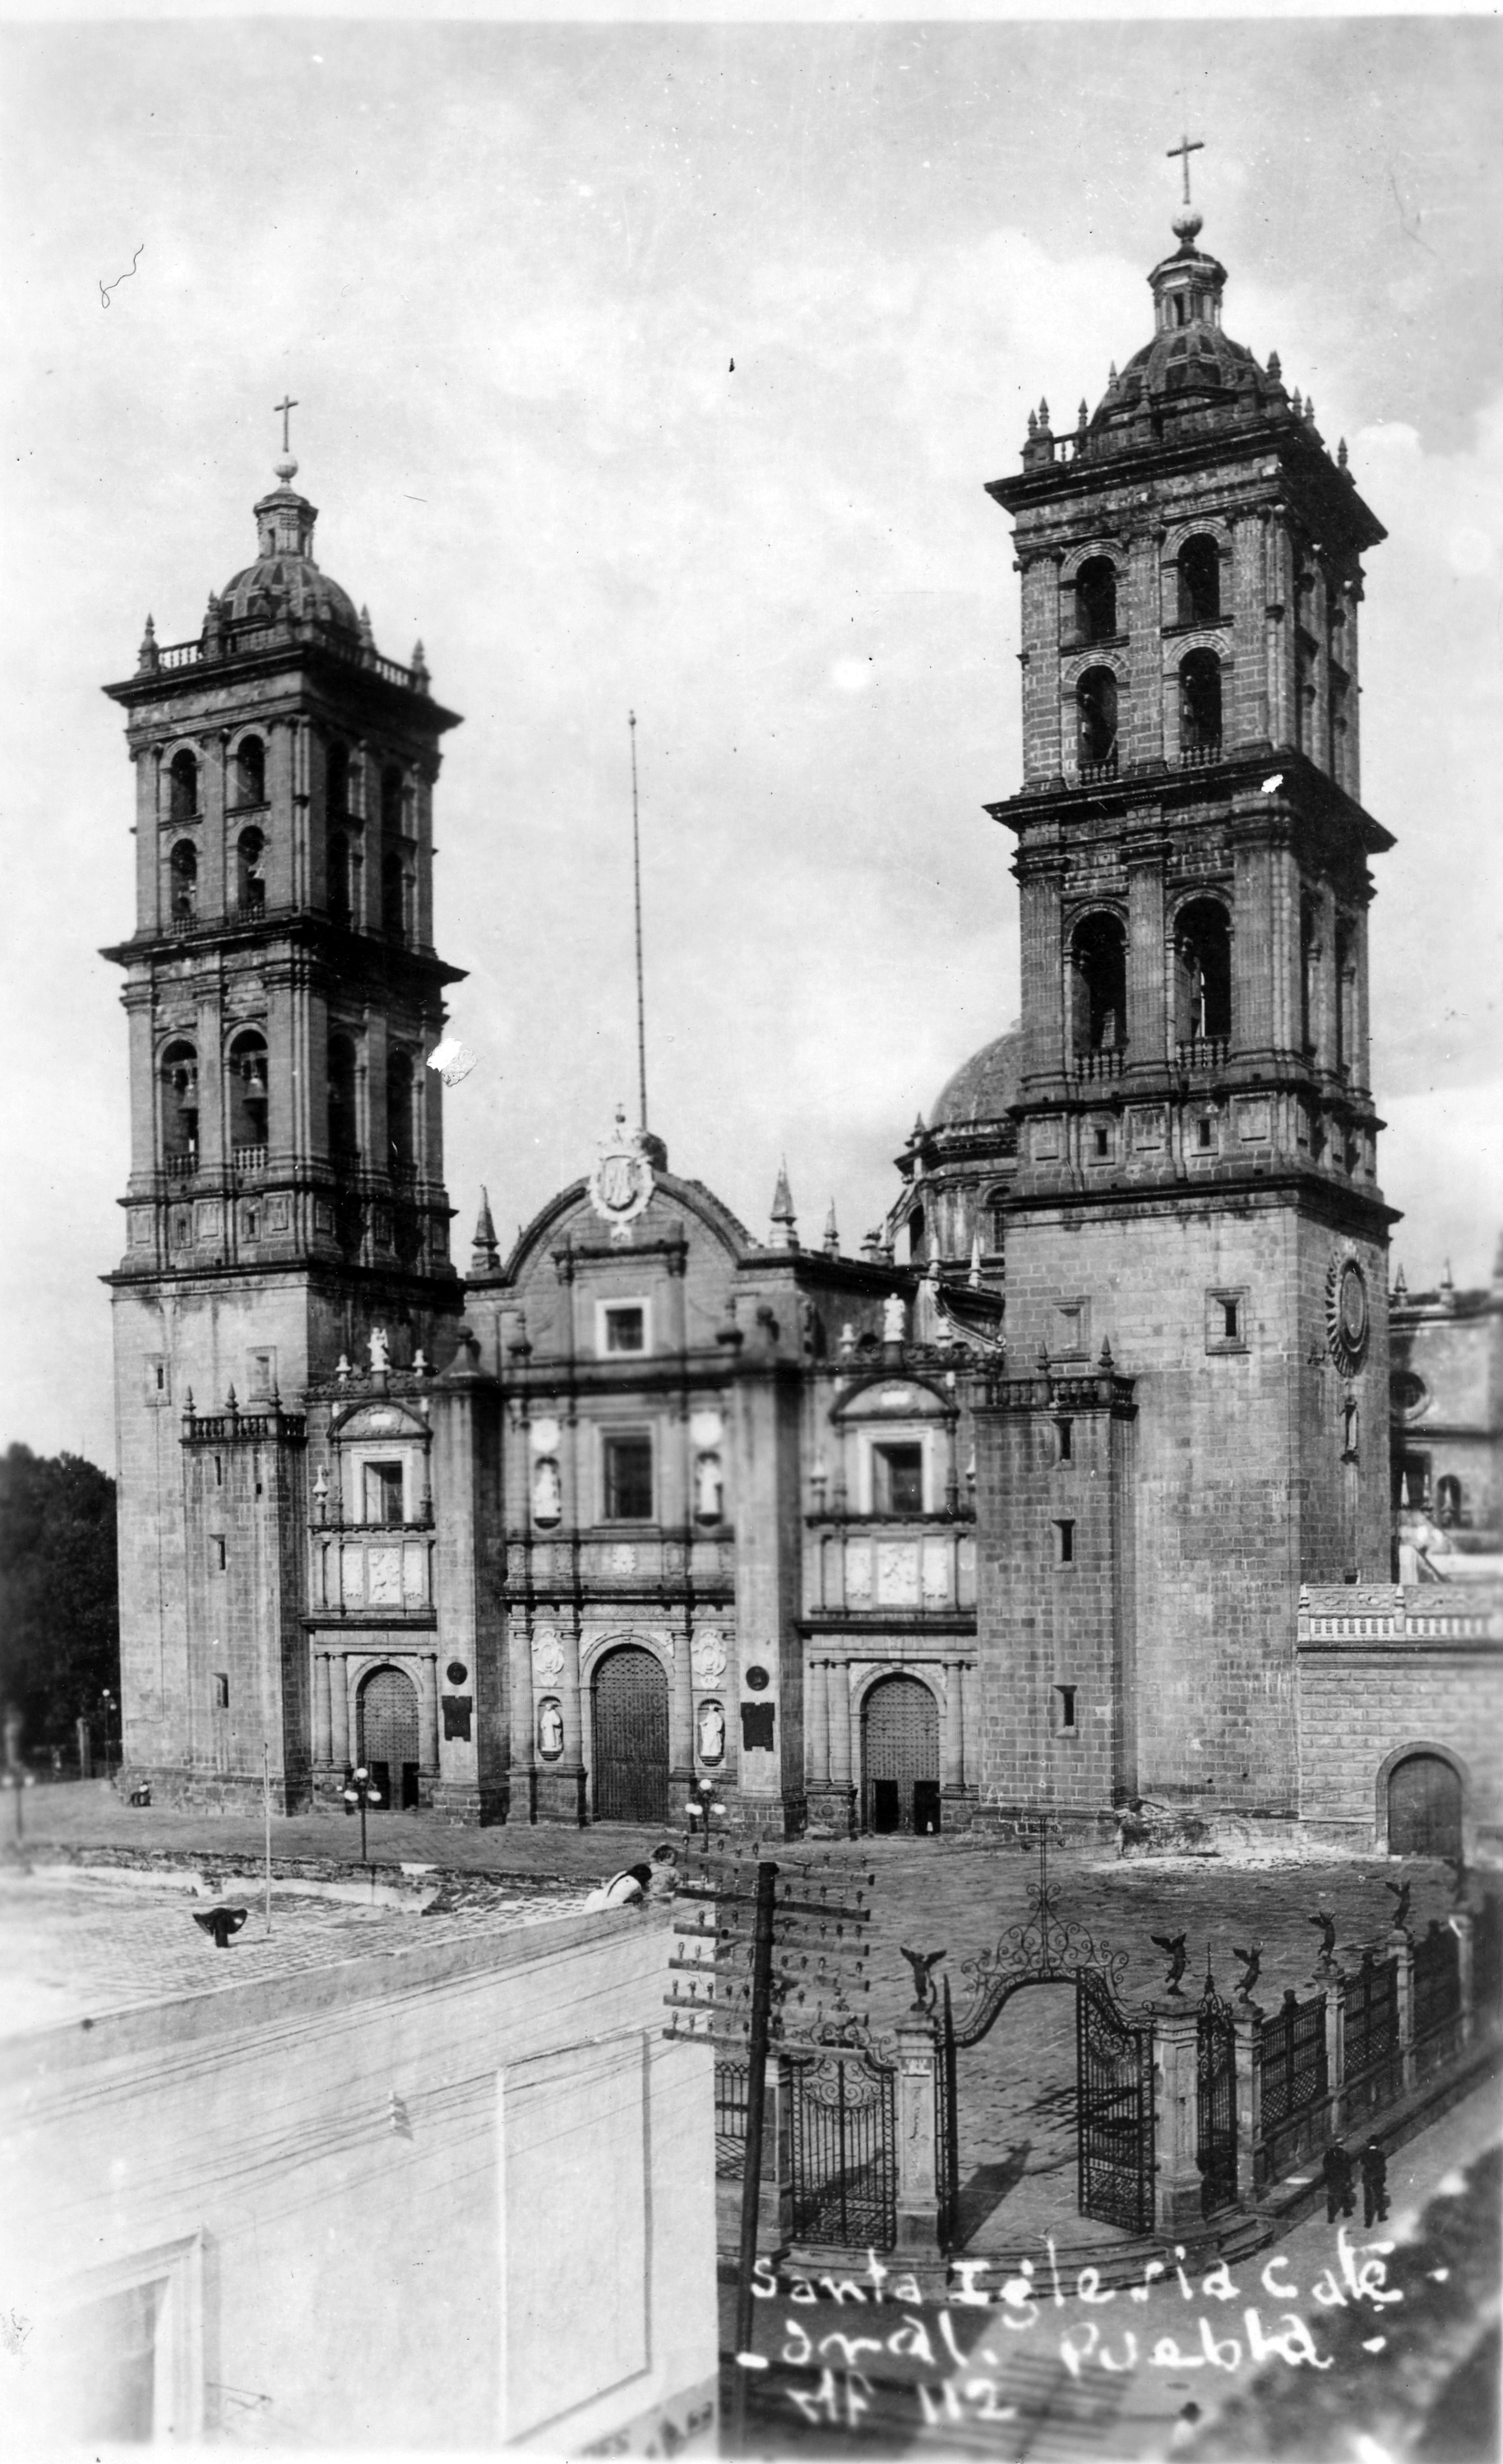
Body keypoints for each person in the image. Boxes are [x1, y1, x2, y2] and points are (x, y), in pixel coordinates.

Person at [582, 1861, 654, 1913]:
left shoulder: (623, 1873)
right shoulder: (636, 1884)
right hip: (609, 1908)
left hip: (598, 1900)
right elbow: (644, 1895)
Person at [1324, 2138, 1356, 2224]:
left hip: (1332, 2180)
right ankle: (1347, 2211)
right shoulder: (1345, 2154)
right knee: (1345, 2195)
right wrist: (1349, 2180)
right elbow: (1347, 2169)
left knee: (1332, 2198)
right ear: (1343, 2145)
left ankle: (1331, 2217)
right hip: (1342, 2180)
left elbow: (1325, 2166)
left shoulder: (1329, 2153)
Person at [1361, 2137, 1390, 2227]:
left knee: (1368, 2200)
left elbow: (1362, 2163)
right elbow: (1383, 2168)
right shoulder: (1381, 2154)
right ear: (1377, 2145)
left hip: (1368, 2180)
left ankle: (1368, 2222)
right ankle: (1381, 2216)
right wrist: (1383, 2178)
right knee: (1379, 2198)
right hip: (1378, 2179)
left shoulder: (1364, 2154)